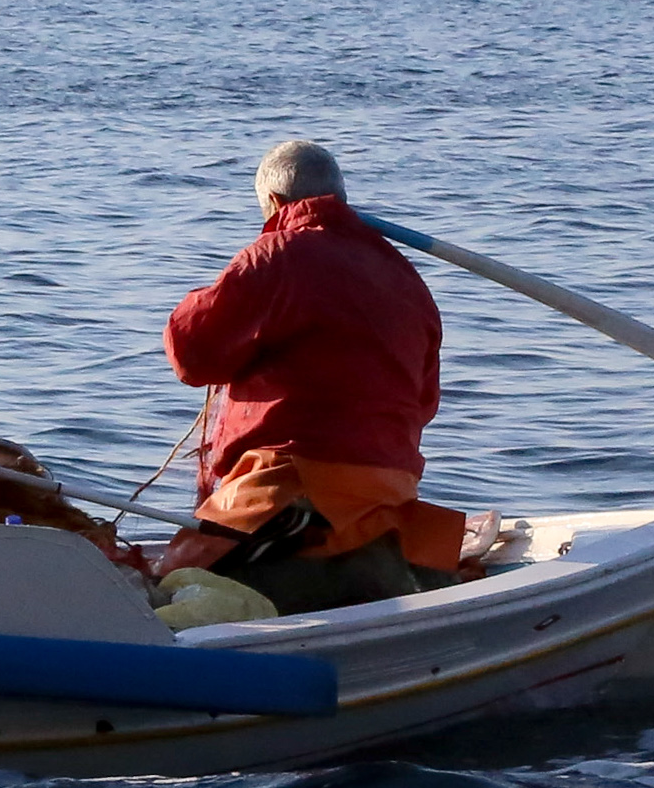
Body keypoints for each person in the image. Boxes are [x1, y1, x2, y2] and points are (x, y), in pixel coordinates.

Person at [157, 139, 463, 612]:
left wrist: (213, 292)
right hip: (391, 489)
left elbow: (191, 354)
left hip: (295, 487)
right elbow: (424, 403)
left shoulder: (275, 255)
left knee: (168, 583)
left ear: (276, 203)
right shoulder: (405, 277)